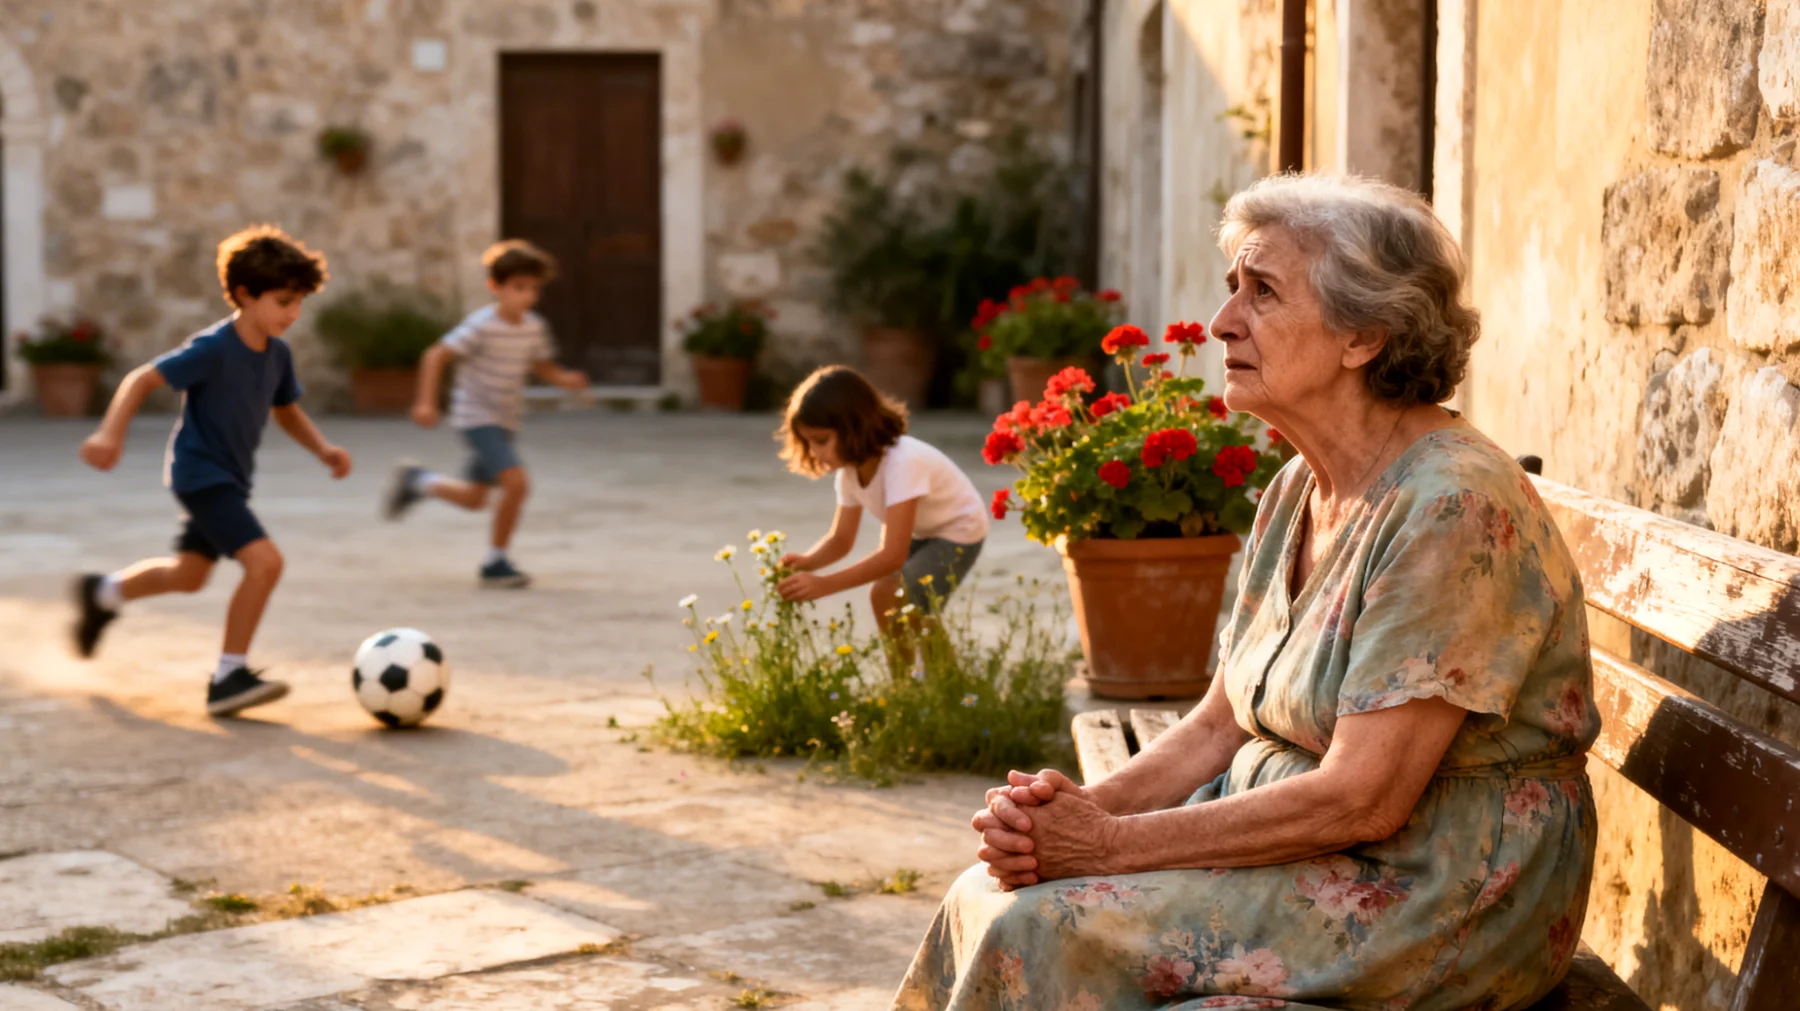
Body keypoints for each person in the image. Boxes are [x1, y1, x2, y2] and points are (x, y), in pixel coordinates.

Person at [894, 174, 1600, 1011]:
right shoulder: (1301, 484)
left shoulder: (1451, 505)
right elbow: (1219, 720)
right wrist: (1072, 815)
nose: (1225, 320)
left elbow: (1364, 796)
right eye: (1234, 289)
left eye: (1262, 292)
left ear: (1363, 335)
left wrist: (1107, 846)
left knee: (1040, 926)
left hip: (1441, 889)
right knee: (990, 890)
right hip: (1318, 846)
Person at [72, 225, 352, 718]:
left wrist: (323, 449)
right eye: (284, 301)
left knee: (189, 575)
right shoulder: (213, 348)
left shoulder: (278, 354)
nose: (294, 314)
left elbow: (285, 410)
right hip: (201, 476)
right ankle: (228, 676)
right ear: (244, 294)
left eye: (299, 302)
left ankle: (102, 593)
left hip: (230, 480)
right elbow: (142, 379)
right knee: (266, 563)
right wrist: (108, 434)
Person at [384, 239, 588, 588]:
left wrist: (565, 379)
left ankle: (419, 481)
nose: (526, 296)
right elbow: (436, 355)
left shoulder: (533, 327)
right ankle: (496, 561)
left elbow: (541, 365)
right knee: (517, 483)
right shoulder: (481, 325)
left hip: (506, 419)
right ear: (495, 287)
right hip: (475, 417)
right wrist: (426, 402)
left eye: (533, 289)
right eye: (518, 288)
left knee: (476, 499)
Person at [775, 366, 989, 640]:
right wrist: (808, 562)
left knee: (906, 599)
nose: (815, 452)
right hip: (922, 531)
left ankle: (938, 679)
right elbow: (841, 539)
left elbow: (892, 555)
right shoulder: (849, 473)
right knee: (886, 595)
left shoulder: (903, 462)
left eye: (822, 440)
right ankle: (906, 679)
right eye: (809, 442)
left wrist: (824, 585)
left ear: (854, 426)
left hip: (959, 531)